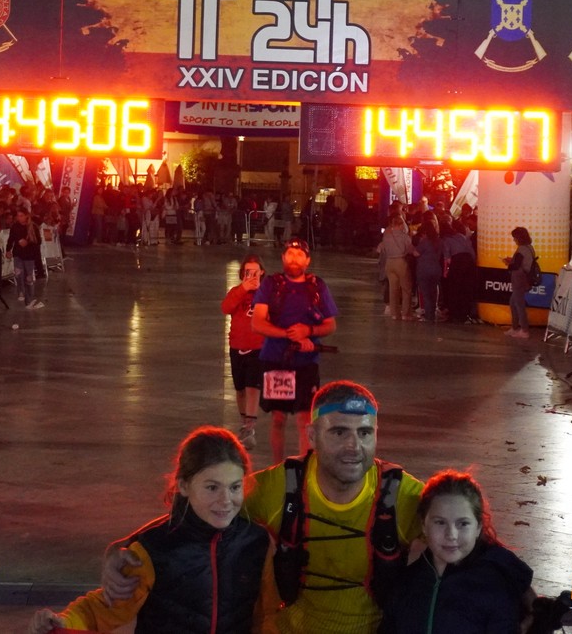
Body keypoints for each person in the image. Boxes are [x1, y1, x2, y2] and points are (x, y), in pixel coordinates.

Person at [108, 382, 425, 634]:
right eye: (339, 432)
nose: (354, 446)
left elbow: (457, 539)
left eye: (365, 433)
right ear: (312, 435)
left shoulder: (401, 494)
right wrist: (124, 547)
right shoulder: (279, 487)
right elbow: (202, 516)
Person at [31, 427, 278, 634]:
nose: (225, 500)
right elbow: (102, 610)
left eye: (235, 487)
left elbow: (268, 615)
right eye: (212, 488)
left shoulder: (257, 542)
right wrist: (62, 622)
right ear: (183, 486)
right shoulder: (153, 549)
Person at [378, 470, 533, 634]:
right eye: (440, 522)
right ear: (423, 525)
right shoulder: (406, 583)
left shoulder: (495, 584)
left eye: (463, 524)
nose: (451, 535)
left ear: (478, 527)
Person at [251, 238, 338, 462]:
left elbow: (330, 324)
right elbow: (257, 322)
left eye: (299, 255)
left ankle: (304, 468)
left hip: (306, 363)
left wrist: (308, 331)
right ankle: (278, 467)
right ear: (283, 258)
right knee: (278, 418)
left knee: (305, 419)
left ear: (308, 260)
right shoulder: (271, 285)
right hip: (275, 359)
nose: (294, 259)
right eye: (290, 254)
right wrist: (291, 335)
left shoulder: (317, 287)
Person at [222, 254, 266, 449]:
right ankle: (244, 422)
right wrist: (243, 290)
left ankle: (249, 427)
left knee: (252, 387)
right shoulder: (236, 292)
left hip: (258, 349)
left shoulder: (267, 294)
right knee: (240, 389)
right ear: (242, 274)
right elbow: (226, 307)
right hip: (237, 347)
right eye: (248, 272)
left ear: (262, 273)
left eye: (255, 272)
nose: (252, 276)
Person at [377, 216, 418, 321]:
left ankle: (394, 314)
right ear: (400, 225)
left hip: (389, 263)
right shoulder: (404, 237)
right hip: (400, 262)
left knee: (393, 289)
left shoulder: (387, 236)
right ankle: (406, 314)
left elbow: (379, 249)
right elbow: (412, 251)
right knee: (406, 289)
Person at [503, 227, 535, 338]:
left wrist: (509, 263)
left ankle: (524, 330)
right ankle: (515, 327)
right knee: (513, 303)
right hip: (524, 278)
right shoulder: (529, 248)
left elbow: (516, 265)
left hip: (519, 278)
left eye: (514, 237)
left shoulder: (521, 249)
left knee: (519, 304)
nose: (514, 240)